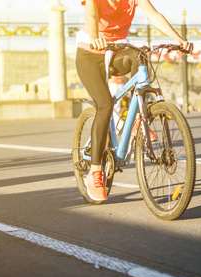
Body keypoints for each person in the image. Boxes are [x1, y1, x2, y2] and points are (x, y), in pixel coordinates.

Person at [75, 0, 194, 201]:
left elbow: (154, 15)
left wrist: (178, 39)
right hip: (90, 53)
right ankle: (94, 172)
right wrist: (95, 38)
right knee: (105, 104)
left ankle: (139, 117)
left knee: (141, 57)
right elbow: (92, 16)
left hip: (116, 51)